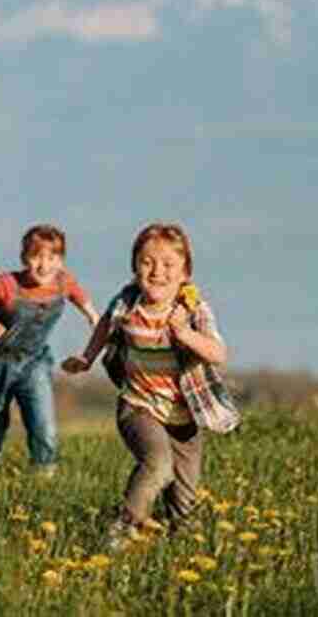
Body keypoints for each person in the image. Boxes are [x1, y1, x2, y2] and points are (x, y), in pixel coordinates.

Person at [62, 222, 239, 547]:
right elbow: (105, 324)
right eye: (147, 262)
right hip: (138, 406)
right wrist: (87, 358)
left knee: (184, 505)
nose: (157, 271)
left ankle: (177, 549)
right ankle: (124, 528)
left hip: (184, 419)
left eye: (169, 264)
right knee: (158, 465)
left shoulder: (193, 310)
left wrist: (185, 334)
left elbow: (218, 354)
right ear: (134, 269)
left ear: (185, 273)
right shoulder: (127, 303)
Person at [0, 224, 101, 471]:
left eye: (52, 257)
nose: (44, 265)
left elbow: (78, 295)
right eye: (36, 256)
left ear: (61, 261)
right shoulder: (5, 285)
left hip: (34, 362)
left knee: (45, 429)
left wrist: (93, 317)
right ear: (24, 258)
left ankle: (43, 481)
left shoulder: (63, 282)